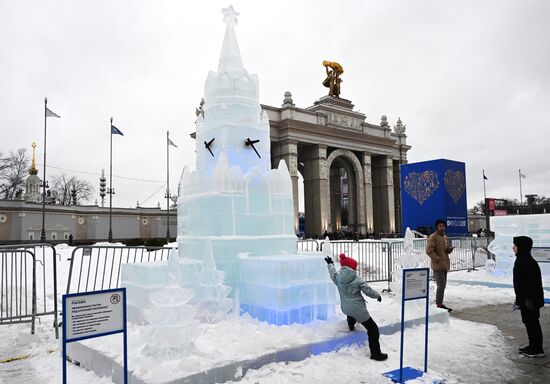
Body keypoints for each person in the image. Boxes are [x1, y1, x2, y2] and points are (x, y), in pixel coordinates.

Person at [324, 253, 388, 361]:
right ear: (353, 268)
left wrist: (330, 264)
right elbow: (368, 291)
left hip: (345, 308)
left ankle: (351, 324)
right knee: (373, 329)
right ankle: (375, 353)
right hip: (358, 310)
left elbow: (332, 273)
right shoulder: (357, 279)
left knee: (351, 313)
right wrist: (377, 295)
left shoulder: (338, 278)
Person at [513, 236, 545, 358]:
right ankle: (533, 345)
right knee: (528, 322)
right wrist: (518, 298)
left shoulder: (527, 262)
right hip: (525, 299)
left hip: (530, 300)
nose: (513, 248)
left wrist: (528, 300)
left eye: (515, 246)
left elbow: (531, 284)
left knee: (532, 323)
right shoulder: (522, 260)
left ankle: (537, 348)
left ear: (521, 247)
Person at [426, 219, 454, 311]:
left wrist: (449, 249)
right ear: (437, 227)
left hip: (445, 264)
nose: (442, 228)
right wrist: (437, 259)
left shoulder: (445, 237)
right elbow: (429, 250)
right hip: (438, 265)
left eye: (443, 226)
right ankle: (439, 304)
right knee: (441, 285)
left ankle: (440, 302)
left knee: (443, 285)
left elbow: (444, 250)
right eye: (440, 226)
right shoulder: (433, 237)